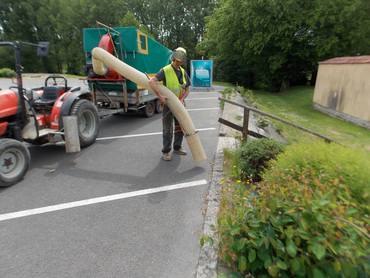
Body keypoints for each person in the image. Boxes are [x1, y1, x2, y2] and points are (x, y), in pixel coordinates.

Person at [149, 47, 191, 161]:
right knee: (167, 129)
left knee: (179, 128)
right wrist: (160, 96)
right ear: (174, 57)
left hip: (180, 105)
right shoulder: (166, 70)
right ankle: (166, 152)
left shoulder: (182, 72)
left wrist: (182, 98)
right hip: (168, 105)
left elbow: (187, 88)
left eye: (181, 60)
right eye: (177, 60)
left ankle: (177, 147)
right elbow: (151, 81)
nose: (179, 62)